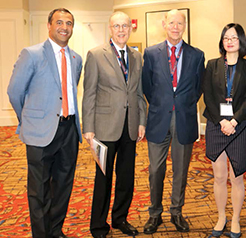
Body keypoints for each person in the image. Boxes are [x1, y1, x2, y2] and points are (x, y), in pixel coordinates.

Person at [7, 8, 82, 238]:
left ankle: (56, 230)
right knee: (38, 190)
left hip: (69, 130)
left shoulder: (77, 58)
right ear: (49, 25)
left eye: (69, 23)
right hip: (40, 131)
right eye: (59, 22)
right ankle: (41, 234)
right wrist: (29, 119)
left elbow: (69, 91)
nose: (64, 27)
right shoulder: (31, 54)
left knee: (63, 186)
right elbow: (14, 91)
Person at [82, 11, 147, 238]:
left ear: (131, 29)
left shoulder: (137, 57)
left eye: (125, 26)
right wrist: (88, 128)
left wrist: (141, 122)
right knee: (103, 178)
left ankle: (120, 218)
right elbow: (89, 94)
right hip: (103, 128)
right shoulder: (95, 55)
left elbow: (138, 93)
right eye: (117, 26)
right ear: (110, 29)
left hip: (129, 128)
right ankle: (98, 225)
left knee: (126, 177)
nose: (121, 30)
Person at [142, 9, 205, 234]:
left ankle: (176, 212)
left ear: (184, 25)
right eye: (171, 23)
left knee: (181, 170)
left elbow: (199, 88)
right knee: (155, 170)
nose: (175, 27)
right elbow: (147, 87)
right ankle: (154, 213)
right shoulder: (150, 53)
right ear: (164, 24)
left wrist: (183, 104)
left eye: (180, 23)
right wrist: (162, 104)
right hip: (158, 119)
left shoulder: (197, 55)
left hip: (184, 120)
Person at [202, 23, 246, 238]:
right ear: (222, 42)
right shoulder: (212, 65)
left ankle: (235, 219)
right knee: (218, 176)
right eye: (226, 37)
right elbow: (208, 96)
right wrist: (222, 122)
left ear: (241, 41)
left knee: (237, 176)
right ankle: (221, 216)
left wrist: (233, 121)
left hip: (240, 126)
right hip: (216, 125)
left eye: (234, 37)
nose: (230, 41)